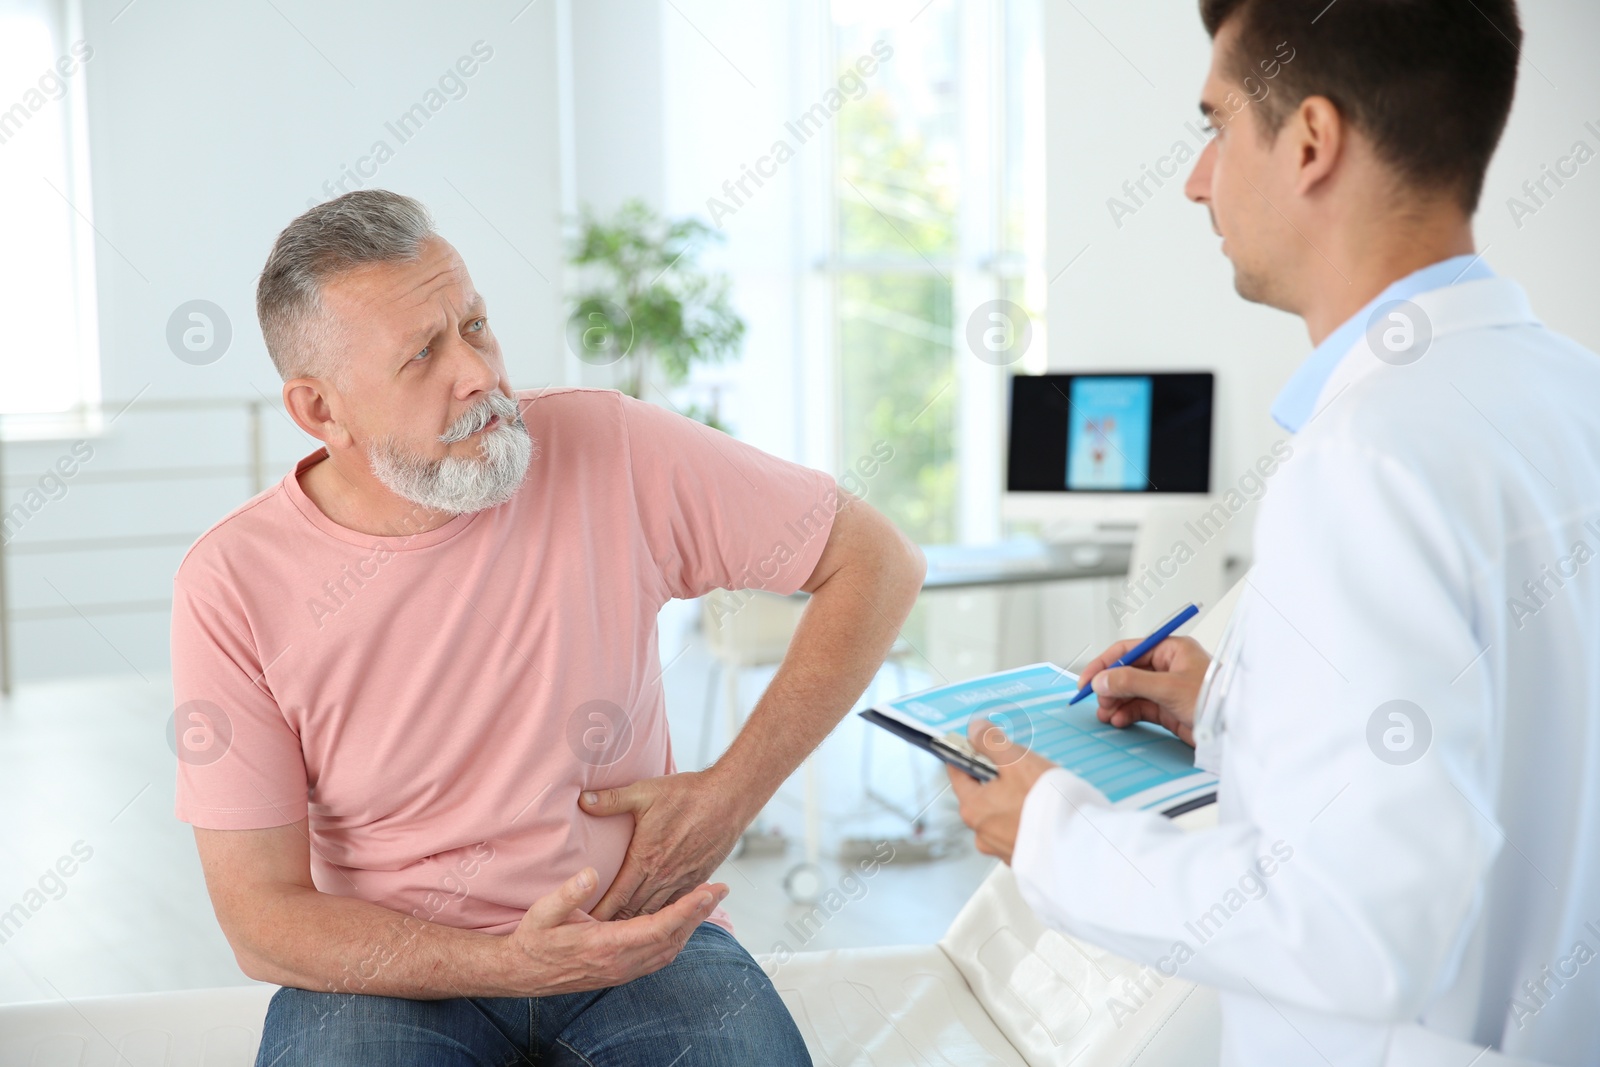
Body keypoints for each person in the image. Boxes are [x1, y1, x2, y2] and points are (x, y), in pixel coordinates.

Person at [948, 1, 1600, 1064]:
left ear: (1308, 141)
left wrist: (1049, 835)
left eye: (1213, 126)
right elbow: (1511, 730)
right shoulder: (1573, 394)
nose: (1196, 180)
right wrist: (1230, 705)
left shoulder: (1367, 459)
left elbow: (1357, 924)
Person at [170, 189, 925, 1066]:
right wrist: (507, 964)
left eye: (476, 326)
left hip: (634, 936)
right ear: (321, 412)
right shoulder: (230, 582)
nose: (479, 372)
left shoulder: (608, 447)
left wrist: (730, 794)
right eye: (422, 356)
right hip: (392, 969)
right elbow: (261, 920)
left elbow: (877, 561)